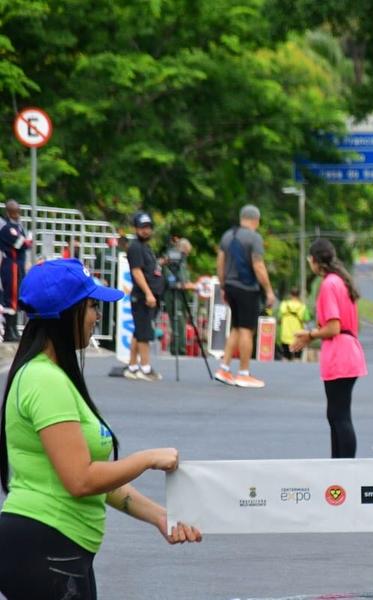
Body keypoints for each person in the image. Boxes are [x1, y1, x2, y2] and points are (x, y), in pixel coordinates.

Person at [0, 259, 201, 599]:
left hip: (61, 547)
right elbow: (81, 480)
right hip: (45, 545)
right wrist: (147, 458)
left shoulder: (52, 374)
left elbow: (99, 482)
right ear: (67, 313)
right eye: (92, 306)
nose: (96, 316)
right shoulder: (44, 379)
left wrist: (159, 516)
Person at [289, 239, 366, 459]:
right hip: (348, 351)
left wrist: (310, 334)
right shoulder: (341, 281)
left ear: (314, 261)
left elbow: (333, 327)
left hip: (340, 355)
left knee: (339, 415)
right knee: (336, 414)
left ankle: (344, 466)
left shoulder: (329, 284)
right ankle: (338, 465)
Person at [214, 204, 276, 388]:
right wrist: (269, 290)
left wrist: (223, 286)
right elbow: (258, 265)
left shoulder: (227, 235)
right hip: (247, 288)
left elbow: (220, 262)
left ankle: (224, 368)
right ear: (256, 220)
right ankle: (243, 372)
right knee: (247, 330)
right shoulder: (254, 238)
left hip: (230, 286)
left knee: (236, 328)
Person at [125, 212, 166, 381]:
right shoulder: (135, 247)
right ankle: (145, 368)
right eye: (142, 227)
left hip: (149, 295)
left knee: (139, 331)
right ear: (136, 229)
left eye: (148, 227)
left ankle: (133, 366)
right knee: (144, 333)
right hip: (143, 297)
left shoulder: (145, 247)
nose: (146, 231)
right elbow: (136, 272)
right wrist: (148, 293)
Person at [0, 200, 31, 341]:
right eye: (14, 211)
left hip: (18, 265)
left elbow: (25, 243)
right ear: (8, 212)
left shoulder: (18, 227)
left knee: (16, 297)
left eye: (18, 211)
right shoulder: (7, 228)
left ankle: (13, 329)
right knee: (10, 297)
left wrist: (26, 241)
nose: (17, 214)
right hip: (11, 265)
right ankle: (8, 331)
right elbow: (20, 244)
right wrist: (26, 241)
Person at [277, 288, 308, 361]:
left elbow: (279, 319)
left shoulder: (284, 305)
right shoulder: (303, 307)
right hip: (298, 337)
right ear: (299, 295)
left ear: (290, 295)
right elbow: (306, 320)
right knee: (297, 359)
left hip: (285, 336)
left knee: (285, 358)